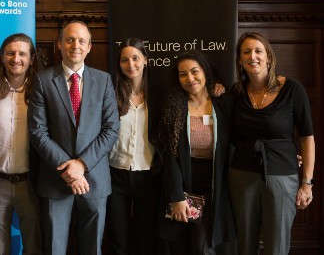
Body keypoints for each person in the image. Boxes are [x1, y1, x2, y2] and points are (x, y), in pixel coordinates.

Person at [27, 20, 120, 254]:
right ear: (59, 44)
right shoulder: (42, 80)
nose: (75, 45)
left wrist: (82, 164)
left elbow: (111, 129)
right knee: (54, 248)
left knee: (92, 248)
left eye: (81, 41)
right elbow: (38, 132)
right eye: (69, 40)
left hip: (95, 180)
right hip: (55, 180)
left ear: (89, 47)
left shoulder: (104, 80)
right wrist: (70, 171)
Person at [229, 32, 315, 255]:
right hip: (241, 175)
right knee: (244, 245)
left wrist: (307, 183)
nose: (253, 56)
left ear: (268, 56)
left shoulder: (292, 89)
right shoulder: (235, 93)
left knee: (276, 246)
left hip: (281, 177)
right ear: (239, 60)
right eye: (246, 52)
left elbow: (307, 137)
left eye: (258, 51)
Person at [159, 51, 236, 254]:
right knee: (187, 245)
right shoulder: (174, 107)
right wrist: (176, 197)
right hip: (186, 187)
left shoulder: (223, 103)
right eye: (183, 74)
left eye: (194, 71)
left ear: (205, 71)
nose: (190, 78)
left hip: (217, 188)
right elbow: (170, 156)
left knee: (205, 245)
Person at [0, 33, 42, 254]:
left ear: (31, 59)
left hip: (30, 182)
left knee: (34, 245)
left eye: (22, 53)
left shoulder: (42, 91)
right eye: (10, 53)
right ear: (2, 57)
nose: (16, 58)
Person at [107, 38, 160, 254]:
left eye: (136, 58)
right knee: (118, 240)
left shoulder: (159, 94)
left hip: (149, 176)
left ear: (145, 60)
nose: (131, 65)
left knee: (145, 239)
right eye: (124, 60)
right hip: (114, 175)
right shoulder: (109, 92)